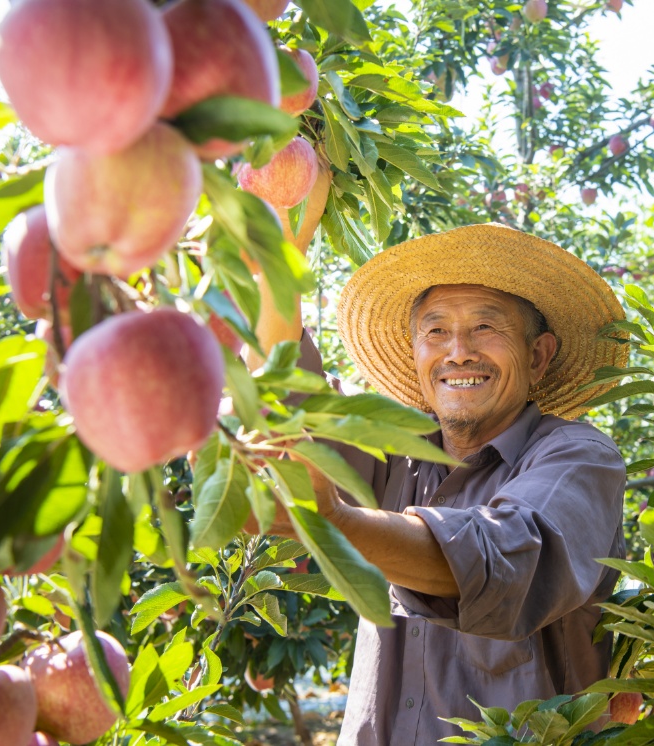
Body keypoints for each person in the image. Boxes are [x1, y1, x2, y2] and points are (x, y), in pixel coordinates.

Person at [268, 223, 630, 745]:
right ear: (415, 353)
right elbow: (286, 396)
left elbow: (504, 559)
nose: (458, 351)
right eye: (436, 331)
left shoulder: (578, 458)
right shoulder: (395, 445)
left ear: (538, 355)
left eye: (486, 327)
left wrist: (335, 521)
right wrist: (282, 242)